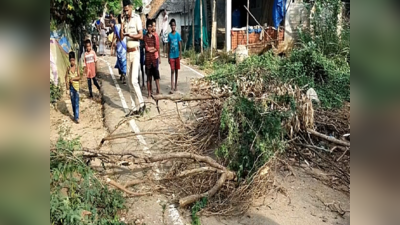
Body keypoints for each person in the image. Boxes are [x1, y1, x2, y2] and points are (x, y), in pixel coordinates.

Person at [121, 0, 146, 116]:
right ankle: (133, 107)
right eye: (124, 10)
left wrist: (130, 35)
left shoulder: (136, 19)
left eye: (127, 10)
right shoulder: (125, 21)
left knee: (134, 80)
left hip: (136, 52)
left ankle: (142, 104)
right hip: (128, 53)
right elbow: (121, 37)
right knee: (128, 81)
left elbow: (141, 36)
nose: (126, 12)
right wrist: (121, 24)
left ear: (131, 8)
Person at [143, 19, 161, 97]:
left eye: (151, 27)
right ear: (147, 28)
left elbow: (156, 48)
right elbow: (146, 48)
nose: (150, 28)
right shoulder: (145, 37)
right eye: (149, 27)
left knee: (156, 75)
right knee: (148, 77)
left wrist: (151, 49)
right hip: (147, 59)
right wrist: (151, 49)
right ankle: (149, 93)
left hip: (154, 59)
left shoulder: (155, 36)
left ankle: (158, 90)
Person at [65, 51, 81, 124]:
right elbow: (65, 77)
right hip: (71, 87)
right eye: (71, 60)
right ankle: (75, 114)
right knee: (73, 102)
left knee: (77, 102)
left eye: (73, 60)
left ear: (75, 60)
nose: (72, 62)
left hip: (76, 87)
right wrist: (67, 86)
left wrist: (73, 79)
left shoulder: (77, 67)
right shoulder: (68, 68)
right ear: (69, 60)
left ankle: (77, 117)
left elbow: (79, 77)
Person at [167, 19, 182, 93]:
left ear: (175, 26)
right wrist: (168, 56)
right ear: (170, 26)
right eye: (172, 25)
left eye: (174, 25)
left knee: (176, 70)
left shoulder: (177, 35)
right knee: (172, 70)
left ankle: (176, 85)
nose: (173, 27)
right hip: (171, 55)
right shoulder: (169, 35)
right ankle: (172, 86)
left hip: (176, 55)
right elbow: (168, 46)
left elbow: (180, 44)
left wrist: (180, 54)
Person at [112, 15, 127, 84]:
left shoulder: (118, 26)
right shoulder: (121, 26)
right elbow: (115, 36)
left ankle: (123, 74)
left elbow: (114, 36)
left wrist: (112, 45)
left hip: (121, 44)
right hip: (122, 44)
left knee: (122, 60)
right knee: (122, 60)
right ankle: (123, 74)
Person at [139, 22, 147, 88]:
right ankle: (138, 81)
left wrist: (142, 45)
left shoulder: (144, 32)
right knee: (138, 68)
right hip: (138, 51)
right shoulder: (138, 31)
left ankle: (143, 82)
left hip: (141, 51)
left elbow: (145, 43)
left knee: (142, 68)